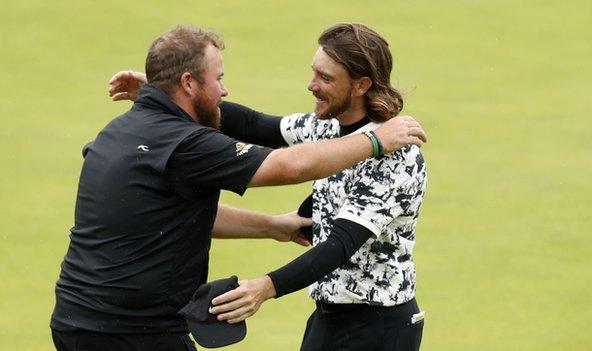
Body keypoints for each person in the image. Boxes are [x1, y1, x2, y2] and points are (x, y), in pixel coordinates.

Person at [53, 25, 427, 351]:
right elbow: (257, 126)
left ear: (361, 85)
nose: (312, 85)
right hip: (326, 318)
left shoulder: (398, 157)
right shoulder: (324, 129)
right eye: (315, 73)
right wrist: (161, 90)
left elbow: (339, 245)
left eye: (325, 78)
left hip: (379, 326)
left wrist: (267, 285)